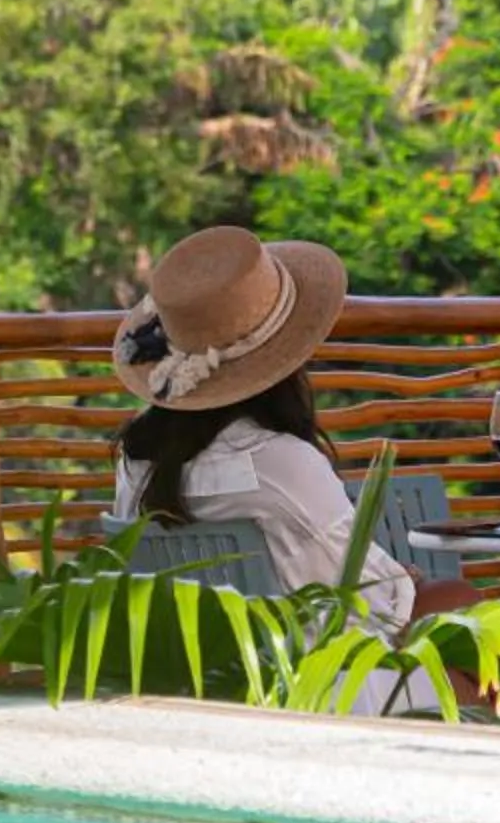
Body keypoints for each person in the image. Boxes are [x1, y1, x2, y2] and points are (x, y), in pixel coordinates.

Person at [109, 226, 474, 634]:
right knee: (470, 610)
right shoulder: (278, 462)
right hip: (318, 678)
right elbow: (368, 598)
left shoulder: (135, 457)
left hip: (208, 672)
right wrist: (409, 581)